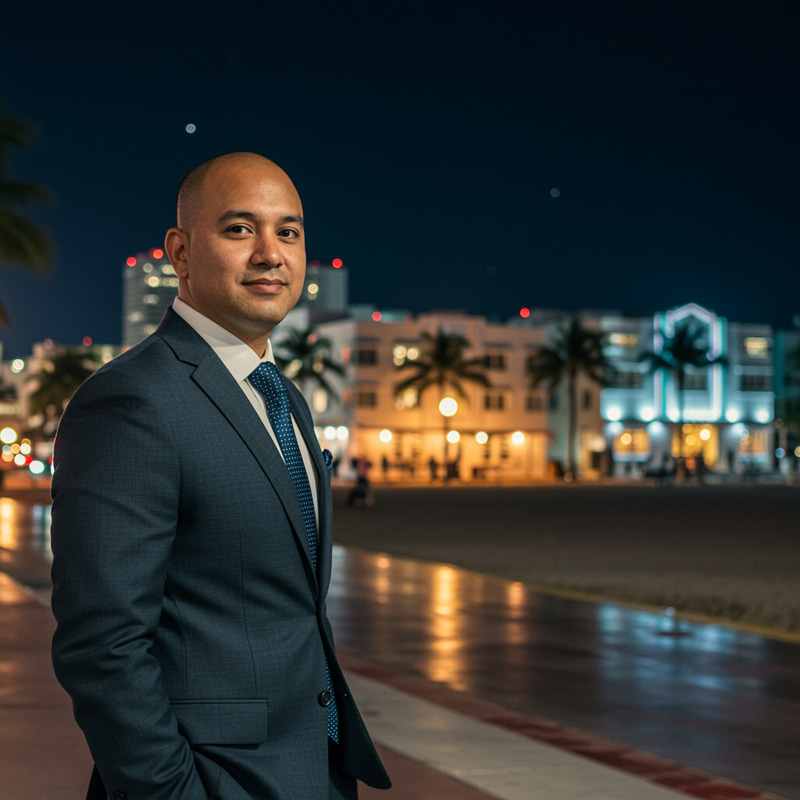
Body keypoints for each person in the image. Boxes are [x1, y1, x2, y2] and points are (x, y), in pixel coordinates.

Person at [50, 152, 391, 800]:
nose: (271, 253)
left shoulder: (281, 397)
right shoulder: (131, 401)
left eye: (287, 231)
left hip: (310, 770)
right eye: (239, 229)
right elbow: (103, 644)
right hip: (209, 781)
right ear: (179, 251)